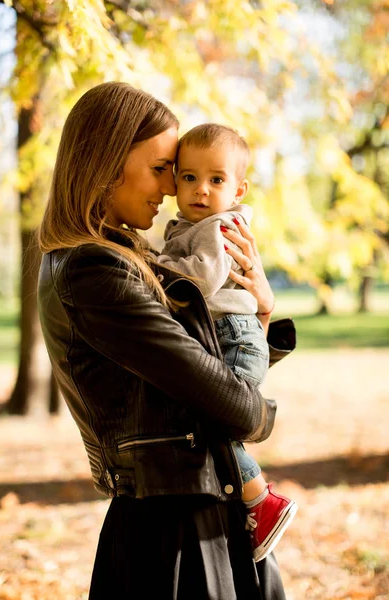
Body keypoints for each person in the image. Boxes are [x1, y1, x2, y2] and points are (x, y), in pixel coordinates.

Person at [37, 81, 296, 599]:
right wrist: (259, 414)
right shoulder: (92, 269)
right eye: (162, 169)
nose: (171, 188)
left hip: (202, 503)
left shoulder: (127, 257)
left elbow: (208, 358)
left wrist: (261, 309)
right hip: (170, 528)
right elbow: (227, 402)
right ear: (109, 161)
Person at [156, 123, 298, 562]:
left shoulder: (220, 227)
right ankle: (255, 506)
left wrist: (155, 272)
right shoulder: (192, 224)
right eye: (189, 177)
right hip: (230, 334)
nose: (201, 189)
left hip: (235, 338)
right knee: (209, 420)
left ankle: (261, 500)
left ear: (239, 188)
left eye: (216, 180)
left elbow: (201, 278)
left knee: (213, 420)